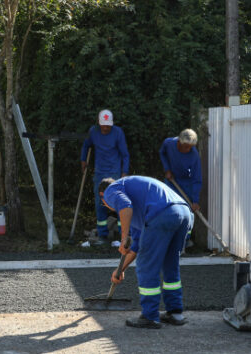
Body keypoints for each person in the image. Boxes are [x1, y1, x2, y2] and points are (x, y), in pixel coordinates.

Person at [99, 176, 193, 329]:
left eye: (105, 204)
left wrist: (123, 237)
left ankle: (150, 316)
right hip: (182, 213)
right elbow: (136, 246)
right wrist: (120, 269)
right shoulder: (139, 204)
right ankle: (175, 313)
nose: (108, 206)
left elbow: (124, 205)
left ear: (102, 198)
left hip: (162, 214)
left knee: (146, 266)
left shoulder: (111, 190)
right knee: (170, 264)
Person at [81, 109, 130, 245]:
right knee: (100, 203)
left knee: (119, 203)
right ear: (99, 123)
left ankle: (123, 236)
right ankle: (102, 235)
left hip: (115, 172)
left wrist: (124, 172)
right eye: (103, 125)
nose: (105, 128)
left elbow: (125, 154)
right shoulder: (93, 131)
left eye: (108, 125)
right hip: (99, 173)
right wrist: (83, 160)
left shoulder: (118, 133)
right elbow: (86, 146)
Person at [159, 129, 202, 246]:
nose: (188, 149)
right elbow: (162, 153)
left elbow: (197, 179)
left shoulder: (194, 155)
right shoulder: (169, 143)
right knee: (169, 208)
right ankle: (169, 237)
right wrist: (166, 168)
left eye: (191, 147)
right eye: (186, 147)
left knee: (187, 211)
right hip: (171, 181)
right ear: (179, 142)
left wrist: (195, 200)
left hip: (186, 183)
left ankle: (185, 239)